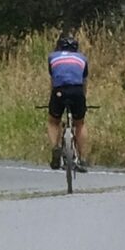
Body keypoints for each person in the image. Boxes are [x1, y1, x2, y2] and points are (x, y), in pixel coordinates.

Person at [47, 33, 90, 170]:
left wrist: (52, 97)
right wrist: (83, 97)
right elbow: (84, 82)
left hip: (59, 91)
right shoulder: (82, 58)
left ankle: (55, 147)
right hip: (77, 91)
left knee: (53, 121)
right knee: (80, 124)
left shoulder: (53, 57)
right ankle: (82, 159)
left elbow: (53, 80)